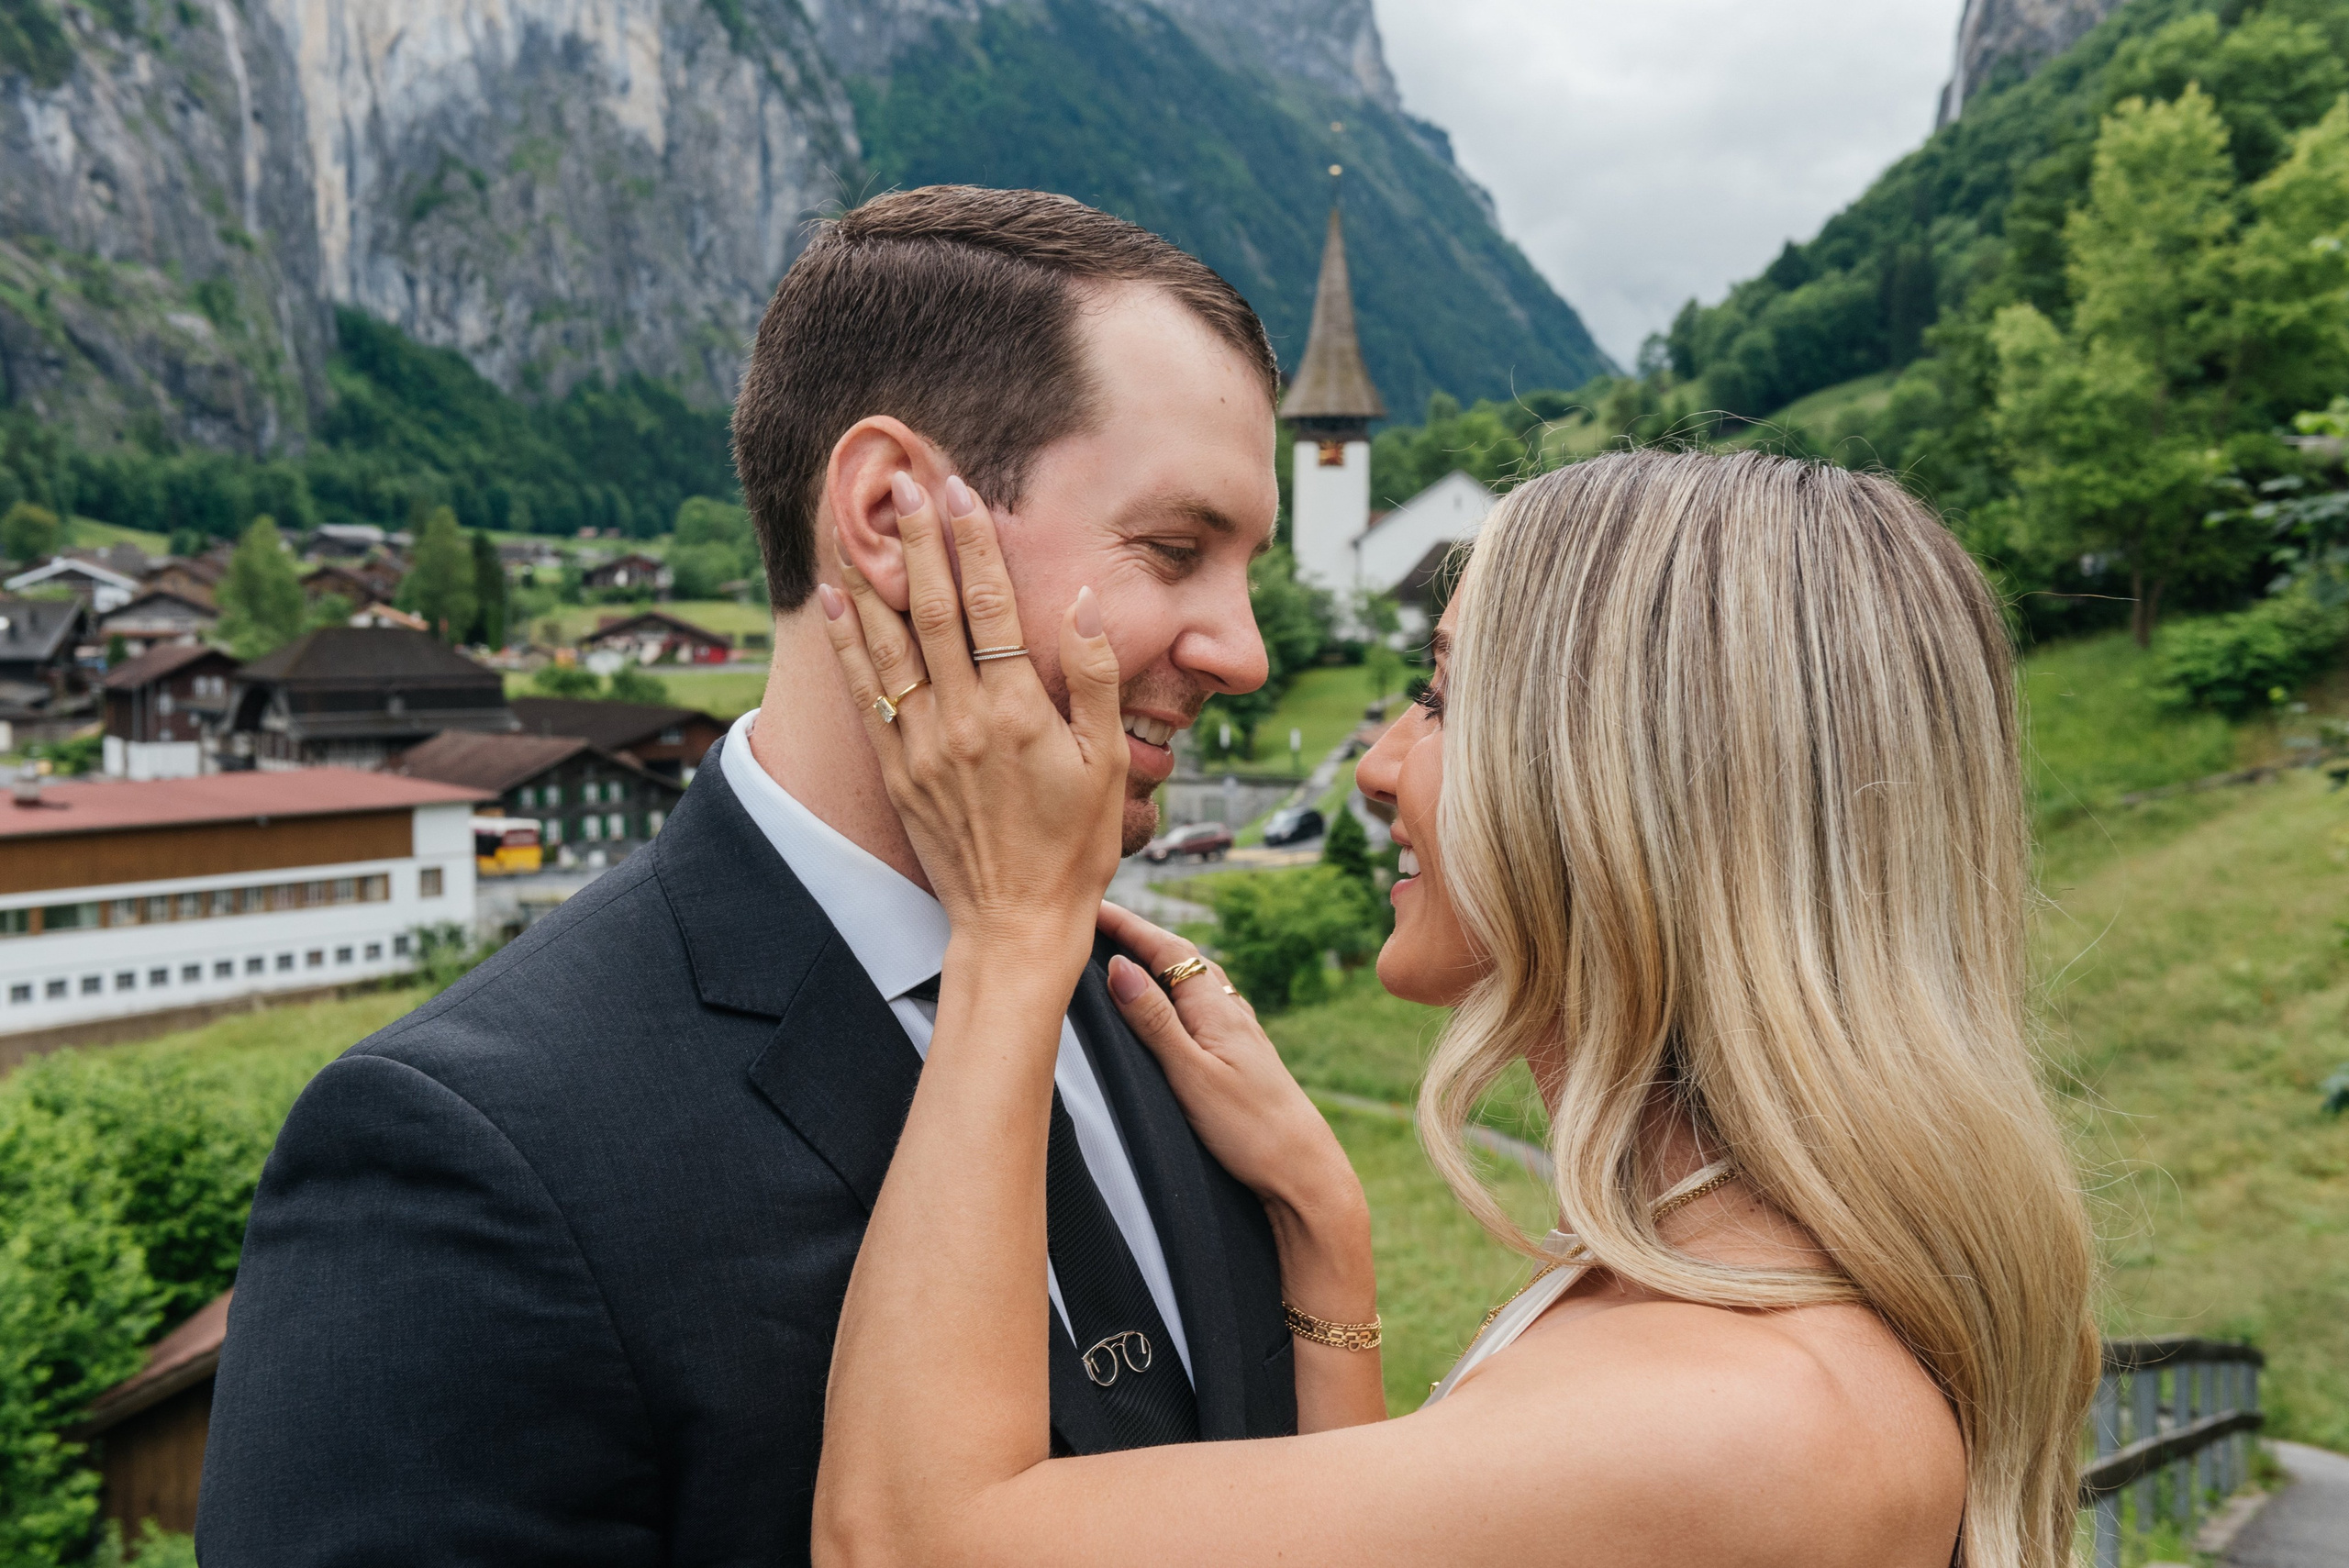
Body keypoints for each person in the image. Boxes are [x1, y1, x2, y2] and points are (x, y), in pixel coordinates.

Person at [196, 186, 1297, 1562]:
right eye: (1178, 551)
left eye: (1246, 570)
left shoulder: (1160, 1021)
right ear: (891, 516)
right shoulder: (464, 1147)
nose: (1244, 651)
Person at [809, 448, 2101, 1568]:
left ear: (1635, 793)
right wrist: (1326, 1233)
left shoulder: (1757, 1415)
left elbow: (908, 1542)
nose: (1377, 764)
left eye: (1442, 699)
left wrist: (1012, 927)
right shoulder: (1734, 1313)